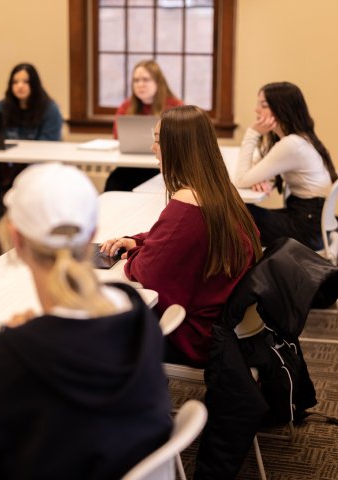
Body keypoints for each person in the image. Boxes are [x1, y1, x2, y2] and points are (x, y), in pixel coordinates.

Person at [0, 163, 172, 479]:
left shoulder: (23, 350)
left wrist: (4, 345)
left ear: (16, 238)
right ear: (92, 235)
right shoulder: (136, 310)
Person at [101, 105, 262, 367]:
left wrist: (133, 252)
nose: (153, 148)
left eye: (156, 141)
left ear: (177, 146)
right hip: (223, 322)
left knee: (101, 322)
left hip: (192, 334)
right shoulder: (220, 189)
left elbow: (146, 272)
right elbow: (173, 240)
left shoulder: (187, 203)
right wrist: (139, 241)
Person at [0, 63, 63, 264]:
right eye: (15, 82)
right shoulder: (2, 107)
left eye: (25, 81)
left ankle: (25, 241)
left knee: (28, 178)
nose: (20, 86)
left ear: (34, 84)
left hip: (35, 168)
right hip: (6, 167)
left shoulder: (49, 109)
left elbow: (49, 147)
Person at [234, 81, 338, 250]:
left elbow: (239, 180)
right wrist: (258, 177)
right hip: (311, 222)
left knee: (233, 214)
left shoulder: (292, 145)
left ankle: (241, 274)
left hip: (306, 230)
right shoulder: (299, 138)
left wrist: (252, 133)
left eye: (264, 105)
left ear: (281, 108)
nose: (256, 109)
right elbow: (254, 168)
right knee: (239, 213)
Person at [103, 59, 182, 192]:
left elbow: (181, 142)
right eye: (136, 80)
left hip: (164, 167)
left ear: (158, 81)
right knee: (113, 183)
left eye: (145, 80)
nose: (140, 84)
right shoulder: (126, 107)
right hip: (131, 165)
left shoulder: (175, 107)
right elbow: (117, 138)